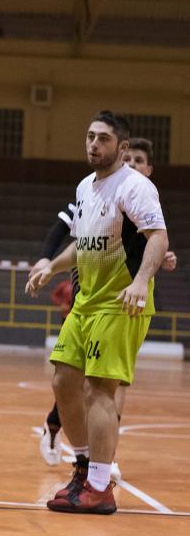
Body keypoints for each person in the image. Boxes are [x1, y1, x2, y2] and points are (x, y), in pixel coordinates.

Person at [26, 111, 168, 514]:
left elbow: (158, 237)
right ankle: (85, 468)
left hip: (120, 300)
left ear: (122, 148)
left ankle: (100, 488)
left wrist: (140, 281)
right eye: (89, 136)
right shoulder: (86, 187)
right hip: (86, 300)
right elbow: (81, 243)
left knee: (98, 390)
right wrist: (49, 266)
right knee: (63, 381)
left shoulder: (136, 186)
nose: (93, 144)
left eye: (103, 138)